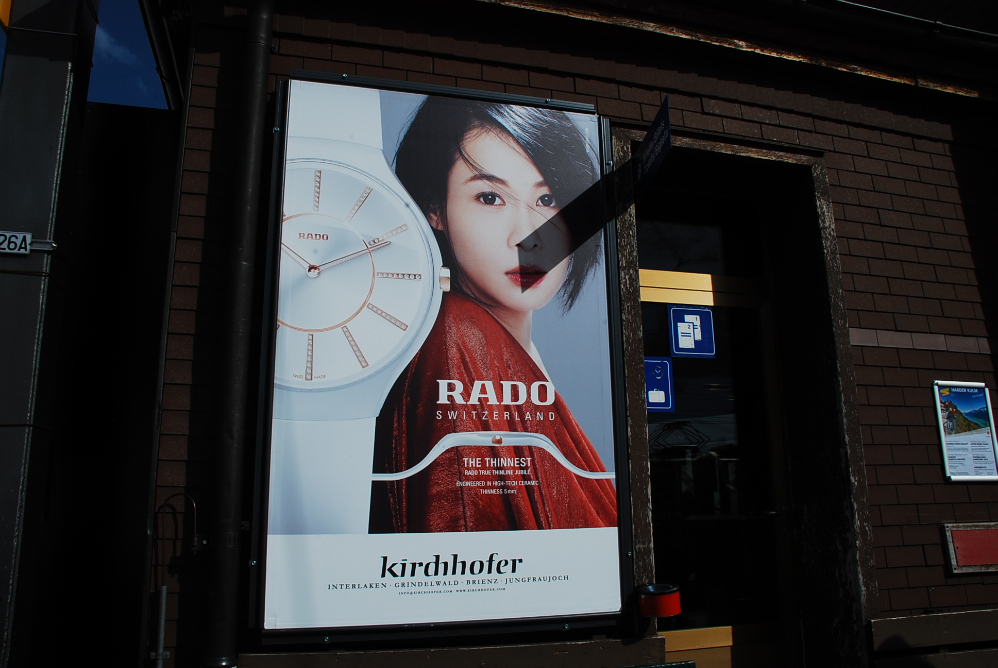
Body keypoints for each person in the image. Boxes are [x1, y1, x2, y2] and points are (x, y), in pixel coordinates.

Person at [368, 97, 617, 533]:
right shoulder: (458, 340)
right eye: (490, 197)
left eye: (547, 198)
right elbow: (460, 541)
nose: (528, 236)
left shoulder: (490, 344)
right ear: (435, 208)